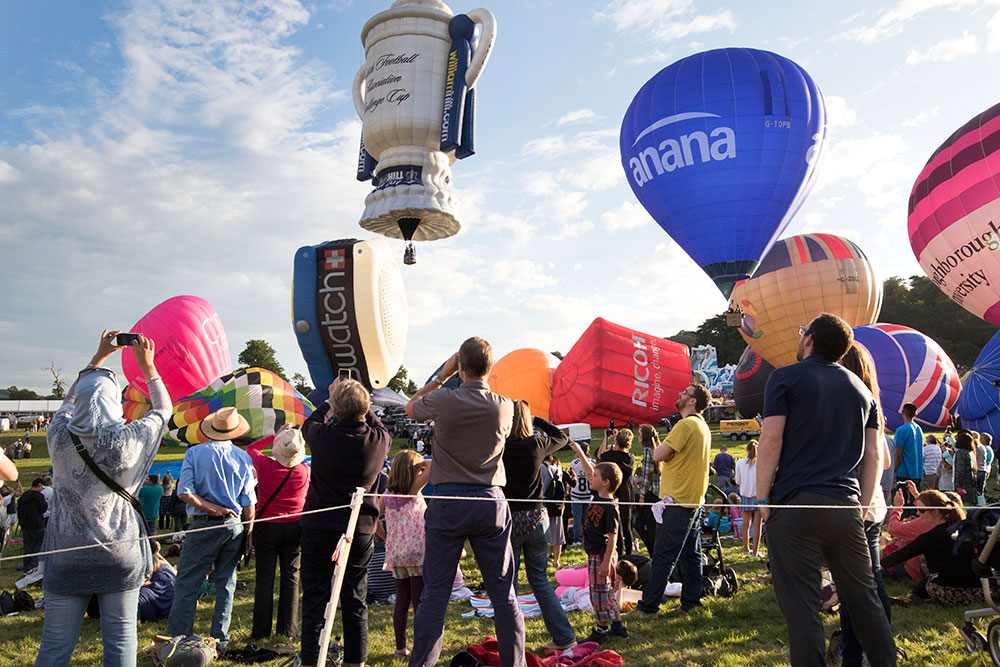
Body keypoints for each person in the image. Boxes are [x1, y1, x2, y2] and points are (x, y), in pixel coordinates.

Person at [755, 314, 896, 666]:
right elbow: (875, 456)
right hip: (845, 508)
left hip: (793, 507)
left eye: (802, 333)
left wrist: (761, 500)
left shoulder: (784, 377)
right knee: (866, 603)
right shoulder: (864, 391)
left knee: (802, 609)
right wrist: (861, 508)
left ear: (809, 340)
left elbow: (770, 439)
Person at [35, 331, 171, 667]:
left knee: (54, 647)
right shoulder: (130, 440)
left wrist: (96, 360)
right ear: (115, 402)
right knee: (122, 640)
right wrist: (148, 367)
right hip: (120, 554)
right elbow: (163, 409)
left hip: (67, 554)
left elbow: (67, 405)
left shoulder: (59, 436)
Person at [404, 338, 525, 667]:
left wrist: (442, 376)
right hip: (490, 501)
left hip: (449, 501)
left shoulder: (444, 398)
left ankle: (422, 663)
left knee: (436, 593)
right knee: (503, 593)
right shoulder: (506, 405)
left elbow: (410, 406)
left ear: (460, 366)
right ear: (490, 368)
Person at [299, 378, 391, 667]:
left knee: (315, 597)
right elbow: (381, 426)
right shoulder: (378, 441)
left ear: (337, 408)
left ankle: (313, 660)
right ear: (366, 409)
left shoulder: (321, 436)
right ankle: (356, 662)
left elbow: (309, 422)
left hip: (319, 526)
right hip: (361, 529)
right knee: (355, 597)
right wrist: (360, 401)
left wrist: (330, 399)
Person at [168, 407, 257, 650]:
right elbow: (249, 502)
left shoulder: (195, 453)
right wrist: (249, 535)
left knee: (187, 583)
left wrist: (209, 508)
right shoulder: (243, 458)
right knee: (226, 583)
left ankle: (179, 638)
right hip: (234, 526)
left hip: (203, 525)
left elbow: (184, 492)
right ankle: (220, 639)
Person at [624, 383, 712, 620]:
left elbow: (659, 455)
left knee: (663, 556)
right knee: (691, 555)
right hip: (693, 500)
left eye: (685, 393)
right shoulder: (702, 426)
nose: (680, 394)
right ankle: (692, 602)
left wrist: (666, 448)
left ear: (692, 401)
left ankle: (648, 607)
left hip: (677, 501)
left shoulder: (685, 425)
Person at [502, 400, 577, 652]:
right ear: (527, 420)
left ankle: (511, 642)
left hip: (510, 518)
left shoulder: (501, 445)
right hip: (536, 518)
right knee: (540, 581)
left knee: (508, 582)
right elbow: (562, 437)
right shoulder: (537, 443)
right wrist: (537, 421)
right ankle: (564, 636)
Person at [836, 342, 893, 667]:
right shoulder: (873, 403)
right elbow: (884, 460)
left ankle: (867, 652)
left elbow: (877, 459)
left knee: (863, 587)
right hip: (871, 506)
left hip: (858, 506)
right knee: (863, 585)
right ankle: (864, 652)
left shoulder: (852, 403)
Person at [248, 424, 310, 640]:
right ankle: (288, 629)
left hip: (267, 525)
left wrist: (275, 435)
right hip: (295, 526)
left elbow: (251, 448)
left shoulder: (265, 466)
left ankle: (260, 630)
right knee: (291, 577)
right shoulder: (304, 471)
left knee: (264, 578)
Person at [566, 438, 627, 645]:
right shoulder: (598, 496)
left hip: (602, 556)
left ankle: (602, 630)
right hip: (597, 555)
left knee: (599, 595)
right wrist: (579, 452)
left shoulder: (610, 506)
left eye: (596, 476)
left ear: (606, 482)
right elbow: (588, 469)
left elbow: (613, 536)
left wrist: (606, 561)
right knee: (606, 593)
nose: (591, 476)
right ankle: (618, 627)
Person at [881, 490, 980, 605]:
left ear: (936, 512)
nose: (918, 513)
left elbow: (900, 555)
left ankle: (916, 600)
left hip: (954, 591)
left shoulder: (930, 538)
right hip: (980, 589)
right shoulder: (963, 528)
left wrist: (872, 568)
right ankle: (914, 599)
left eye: (921, 510)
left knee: (931, 579)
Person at [380, 450, 432, 660]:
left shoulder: (386, 496)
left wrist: (386, 539)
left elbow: (375, 518)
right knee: (419, 601)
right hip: (417, 553)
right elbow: (434, 464)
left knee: (402, 601)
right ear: (414, 471)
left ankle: (400, 648)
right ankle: (421, 646)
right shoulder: (413, 489)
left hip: (397, 554)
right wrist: (421, 464)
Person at [598, 429, 636, 556]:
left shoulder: (610, 456)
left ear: (617, 441)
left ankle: (619, 553)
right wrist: (617, 441)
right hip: (627, 491)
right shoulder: (630, 458)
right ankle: (629, 554)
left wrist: (606, 438)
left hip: (615, 491)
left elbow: (600, 455)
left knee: (616, 526)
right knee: (627, 525)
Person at [632, 424, 662, 555]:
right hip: (658, 491)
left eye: (639, 433)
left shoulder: (647, 451)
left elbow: (649, 475)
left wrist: (642, 496)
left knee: (640, 524)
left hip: (651, 493)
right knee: (651, 526)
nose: (637, 436)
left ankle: (653, 552)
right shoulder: (657, 448)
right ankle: (654, 552)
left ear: (644, 436)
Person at [541, 454, 569, 569]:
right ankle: (556, 561)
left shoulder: (542, 468)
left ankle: (545, 557)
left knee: (543, 533)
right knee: (558, 533)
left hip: (544, 503)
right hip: (557, 504)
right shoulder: (558, 468)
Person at [893, 403, 924, 505]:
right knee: (916, 502)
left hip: (904, 472)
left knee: (903, 503)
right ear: (915, 414)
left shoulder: (901, 430)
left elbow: (898, 454)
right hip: (917, 471)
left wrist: (893, 470)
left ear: (902, 413)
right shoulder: (919, 429)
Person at [734, 440, 760, 557]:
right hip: (759, 495)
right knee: (757, 524)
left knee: (746, 523)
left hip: (745, 494)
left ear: (747, 450)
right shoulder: (761, 462)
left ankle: (746, 549)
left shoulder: (740, 462)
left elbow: (738, 481)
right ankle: (755, 551)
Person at [17, 477, 47, 572]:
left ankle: (26, 566)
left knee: (27, 547)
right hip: (37, 525)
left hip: (25, 525)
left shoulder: (24, 496)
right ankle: (33, 565)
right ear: (39, 486)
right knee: (39, 544)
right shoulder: (39, 496)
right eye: (42, 488)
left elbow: (19, 509)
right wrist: (45, 503)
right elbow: (43, 509)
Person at [569, 442, 595, 546]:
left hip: (577, 494)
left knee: (577, 518)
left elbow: (571, 477)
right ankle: (587, 537)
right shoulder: (593, 462)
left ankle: (577, 540)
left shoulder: (574, 463)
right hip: (588, 494)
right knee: (587, 518)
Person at [953, 430, 978, 501]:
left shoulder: (960, 453)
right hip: (971, 484)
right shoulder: (971, 453)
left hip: (963, 485)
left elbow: (959, 470)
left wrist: (957, 486)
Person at [976, 432, 994, 503]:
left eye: (982, 438)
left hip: (982, 469)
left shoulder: (985, 448)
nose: (980, 439)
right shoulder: (988, 448)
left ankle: (980, 503)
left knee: (979, 490)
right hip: (986, 469)